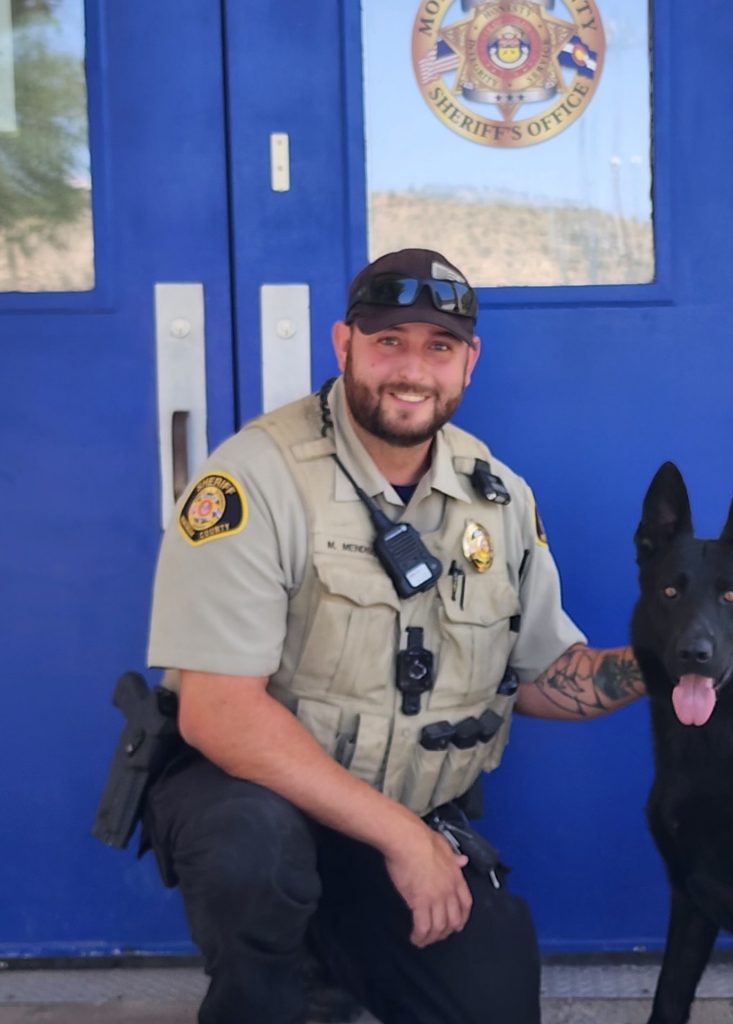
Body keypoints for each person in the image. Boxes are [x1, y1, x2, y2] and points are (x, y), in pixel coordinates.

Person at [143, 247, 645, 1024]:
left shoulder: (500, 498)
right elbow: (217, 712)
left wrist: (672, 660)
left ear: (469, 362)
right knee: (256, 851)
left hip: (402, 810)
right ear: (343, 345)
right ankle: (275, 990)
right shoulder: (254, 479)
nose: (413, 369)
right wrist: (406, 842)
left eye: (438, 347)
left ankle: (339, 952)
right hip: (262, 803)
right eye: (389, 343)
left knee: (492, 1000)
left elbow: (544, 677)